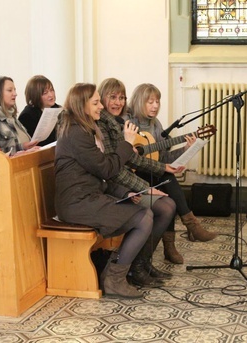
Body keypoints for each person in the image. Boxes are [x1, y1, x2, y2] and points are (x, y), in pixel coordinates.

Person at [55, 83, 169, 298]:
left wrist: (126, 194)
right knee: (143, 216)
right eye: (96, 103)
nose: (101, 107)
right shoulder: (76, 133)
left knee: (146, 212)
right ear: (82, 105)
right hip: (77, 203)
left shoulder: (84, 129)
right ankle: (115, 279)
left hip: (90, 197)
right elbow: (107, 168)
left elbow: (101, 171)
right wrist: (126, 143)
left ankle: (118, 272)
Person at [98, 78, 186, 265]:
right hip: (114, 191)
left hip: (125, 184)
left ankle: (143, 264)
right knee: (154, 210)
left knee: (168, 204)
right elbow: (113, 169)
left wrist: (163, 167)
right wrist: (144, 189)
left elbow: (134, 158)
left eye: (122, 97)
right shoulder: (103, 127)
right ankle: (133, 266)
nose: (118, 102)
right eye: (112, 97)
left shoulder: (118, 124)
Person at [124, 83, 218, 244]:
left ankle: (172, 243)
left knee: (166, 181)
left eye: (158, 101)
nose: (155, 106)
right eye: (150, 101)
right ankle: (190, 227)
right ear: (140, 101)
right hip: (131, 173)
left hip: (152, 171)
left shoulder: (156, 124)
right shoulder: (127, 121)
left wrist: (185, 148)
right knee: (166, 176)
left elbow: (163, 158)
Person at [0, 76, 39, 155]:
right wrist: (22, 147)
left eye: (14, 90)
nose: (15, 94)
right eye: (10, 90)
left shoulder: (12, 116)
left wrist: (27, 146)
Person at [19, 75, 61, 147]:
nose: (51, 95)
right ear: (35, 95)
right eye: (45, 93)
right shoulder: (27, 116)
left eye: (51, 90)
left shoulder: (58, 108)